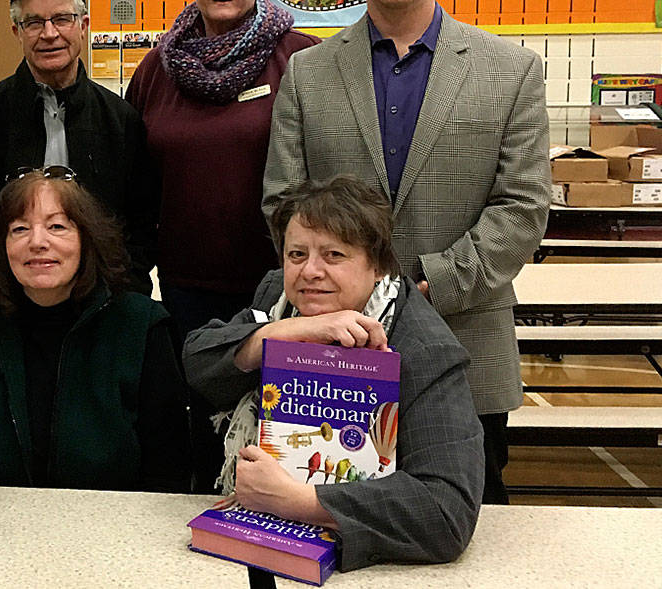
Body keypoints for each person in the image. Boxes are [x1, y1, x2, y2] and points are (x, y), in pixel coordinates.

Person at [263, 0, 550, 505]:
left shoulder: (512, 70)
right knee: (325, 518)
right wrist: (342, 290)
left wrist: (425, 285)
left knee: (459, 523)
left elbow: (524, 207)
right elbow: (284, 201)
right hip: (331, 356)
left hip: (464, 342)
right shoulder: (308, 73)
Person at [185, 175, 483, 570]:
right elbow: (197, 360)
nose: (310, 271)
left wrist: (299, 501)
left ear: (377, 265)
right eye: (296, 255)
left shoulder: (425, 350)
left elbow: (446, 512)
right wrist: (282, 333)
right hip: (262, 542)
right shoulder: (280, 299)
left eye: (334, 255)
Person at [0, 170, 189, 492]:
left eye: (57, 227)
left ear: (86, 239)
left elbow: (170, 471)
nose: (38, 242)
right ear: (1, 245)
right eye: (19, 229)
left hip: (112, 531)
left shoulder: (140, 325)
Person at [126, 0, 318, 336]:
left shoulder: (302, 61)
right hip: (183, 287)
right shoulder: (157, 70)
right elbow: (136, 183)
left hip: (285, 282)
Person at [0, 0, 158, 292]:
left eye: (61, 19)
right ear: (17, 32)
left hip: (101, 302)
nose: (49, 33)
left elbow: (141, 224)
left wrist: (120, 291)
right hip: (8, 304)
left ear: (83, 25)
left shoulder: (121, 121)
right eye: (34, 22)